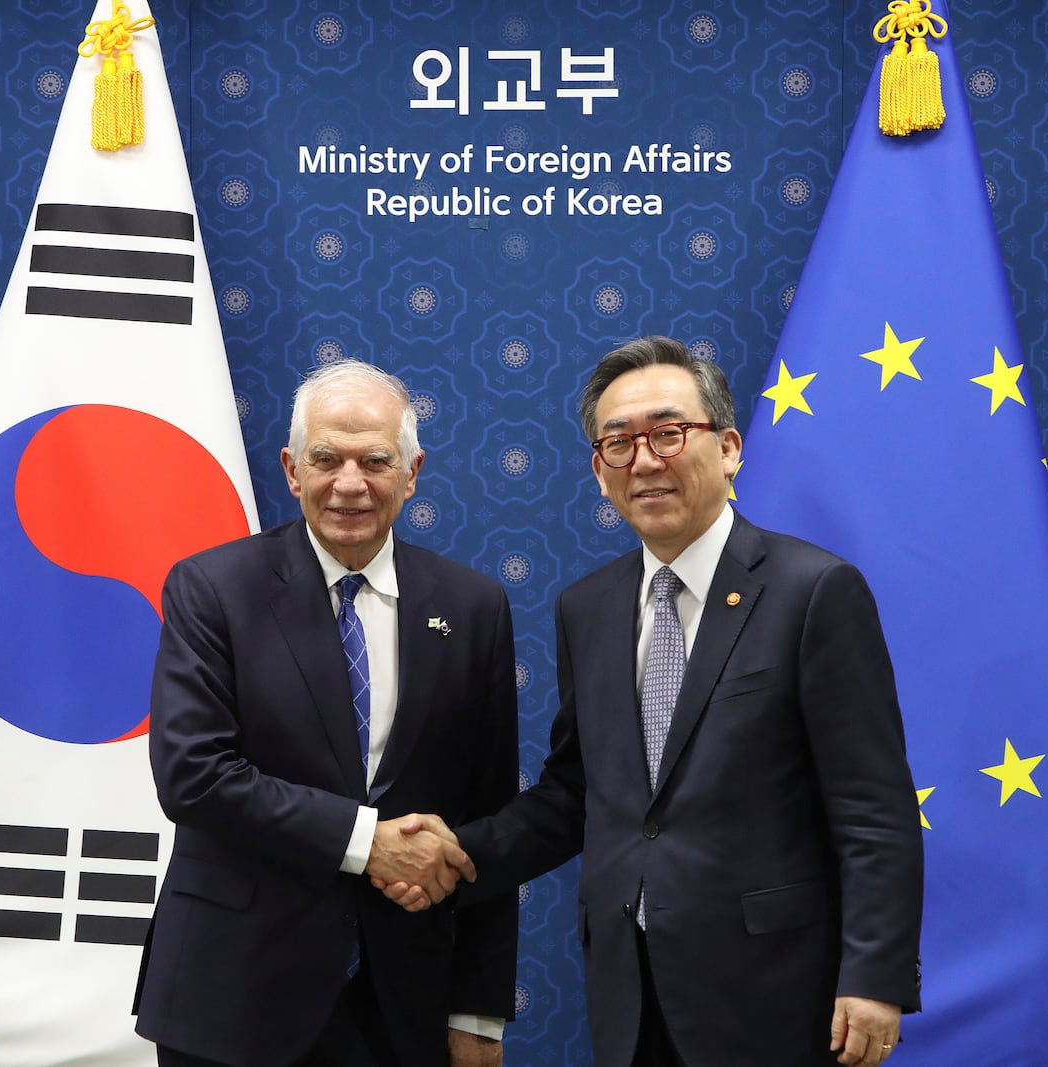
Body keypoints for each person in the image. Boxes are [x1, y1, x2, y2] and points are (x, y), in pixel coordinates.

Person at [385, 337, 922, 1066]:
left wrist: (875, 976)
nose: (644, 460)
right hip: (630, 992)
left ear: (729, 448)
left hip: (781, 995)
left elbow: (873, 807)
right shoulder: (588, 607)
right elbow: (577, 794)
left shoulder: (814, 592)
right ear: (600, 472)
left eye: (669, 433)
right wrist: (460, 852)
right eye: (618, 443)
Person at [134, 360, 518, 1067]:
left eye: (375, 460)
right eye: (326, 458)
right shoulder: (213, 588)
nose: (349, 483)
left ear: (411, 471)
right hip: (232, 996)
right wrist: (368, 839)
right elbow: (192, 775)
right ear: (290, 468)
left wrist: (478, 1011)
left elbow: (487, 819)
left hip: (400, 1005)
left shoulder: (473, 607)